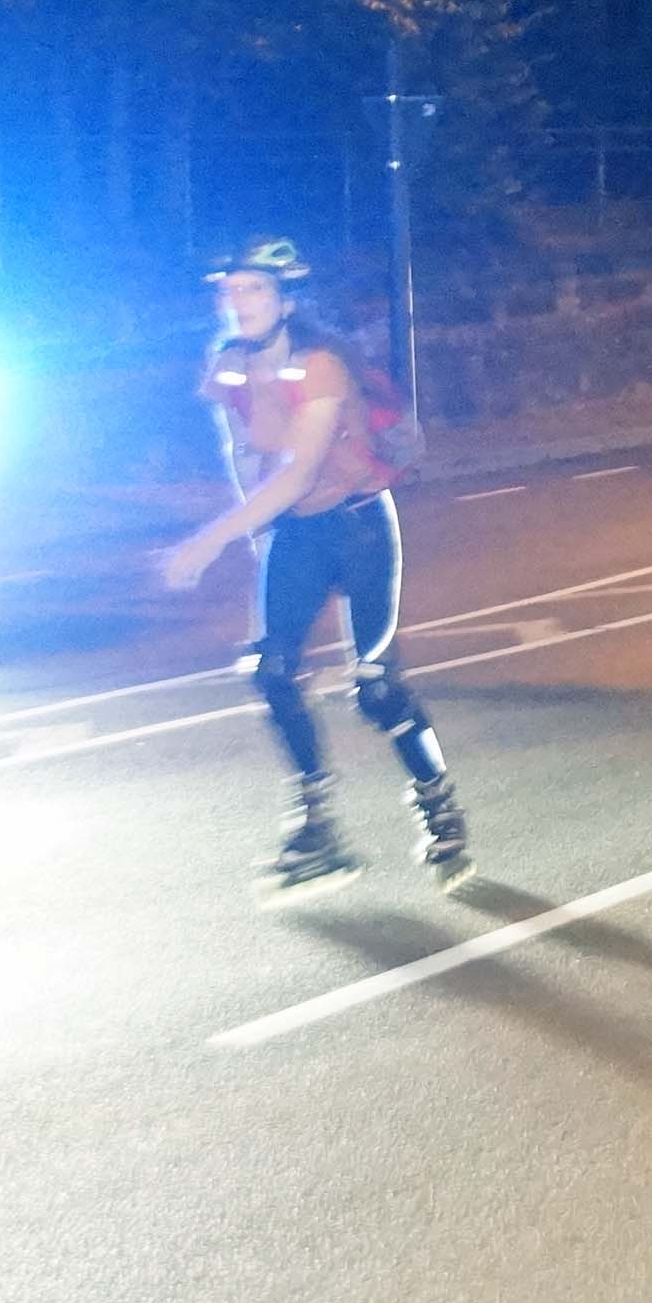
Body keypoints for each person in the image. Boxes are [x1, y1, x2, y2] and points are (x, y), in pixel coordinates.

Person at [160, 239, 475, 899]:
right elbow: (245, 455)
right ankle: (316, 828)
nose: (238, 301)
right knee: (270, 670)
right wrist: (257, 531)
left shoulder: (321, 364)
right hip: (295, 531)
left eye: (254, 289)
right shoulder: (229, 365)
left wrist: (210, 540)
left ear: (286, 302)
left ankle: (438, 805)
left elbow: (300, 471)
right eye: (230, 290)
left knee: (375, 686)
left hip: (358, 526)